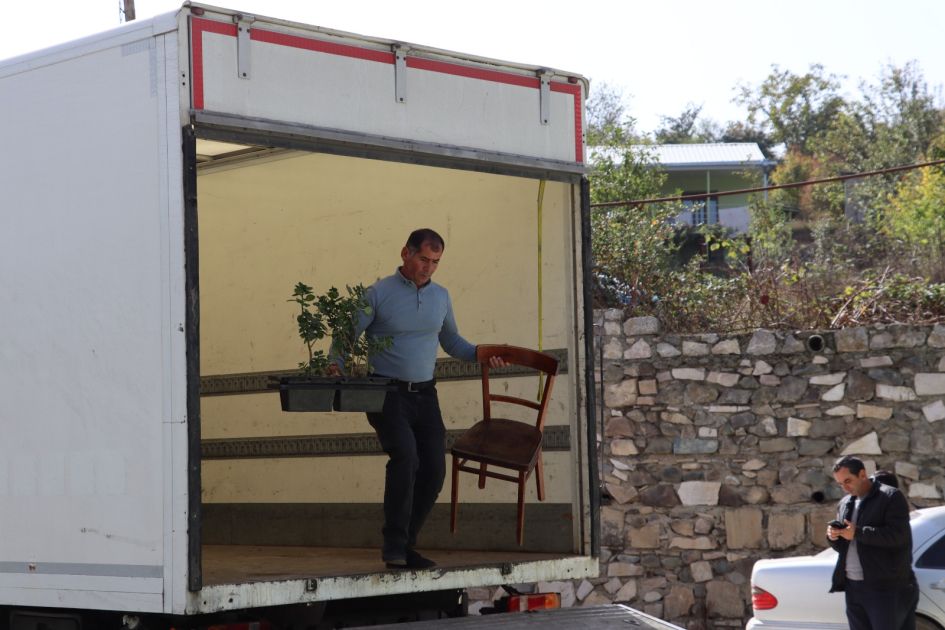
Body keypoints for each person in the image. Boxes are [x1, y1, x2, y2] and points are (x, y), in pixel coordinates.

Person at [332, 228, 504, 570]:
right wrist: (335, 366)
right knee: (406, 457)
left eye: (436, 262)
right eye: (424, 259)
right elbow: (346, 335)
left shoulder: (441, 297)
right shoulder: (377, 293)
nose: (429, 268)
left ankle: (406, 544)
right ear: (405, 253)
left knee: (435, 470)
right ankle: (394, 546)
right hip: (386, 393)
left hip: (425, 395)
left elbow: (451, 342)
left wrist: (482, 354)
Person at [827, 456, 918, 630]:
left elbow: (898, 536)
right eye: (840, 484)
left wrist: (858, 532)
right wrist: (833, 536)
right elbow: (845, 546)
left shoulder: (890, 496)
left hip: (885, 588)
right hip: (853, 587)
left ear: (862, 474)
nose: (845, 488)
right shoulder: (845, 503)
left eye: (848, 481)